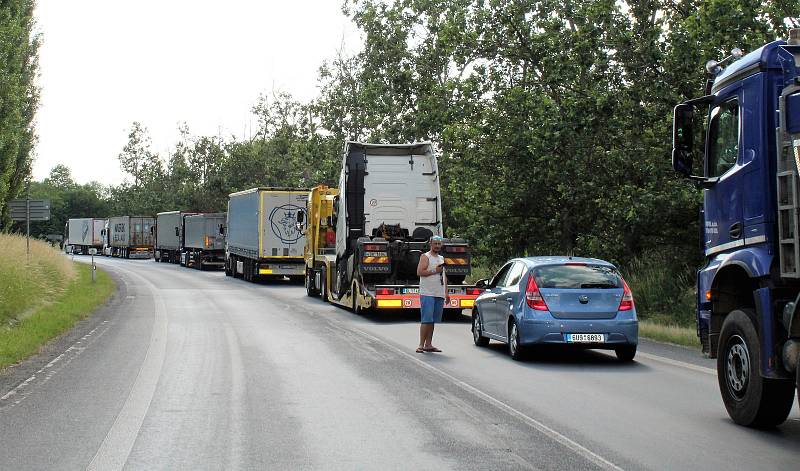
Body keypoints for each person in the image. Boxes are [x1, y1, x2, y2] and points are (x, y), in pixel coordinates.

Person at [416, 235, 450, 353]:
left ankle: (428, 344)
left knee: (433, 320)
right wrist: (434, 270)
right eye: (435, 244)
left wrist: (446, 293)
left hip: (438, 293)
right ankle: (421, 344)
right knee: (426, 319)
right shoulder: (425, 256)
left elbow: (444, 276)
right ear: (430, 244)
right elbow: (420, 272)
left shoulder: (441, 258)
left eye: (438, 244)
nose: (437, 246)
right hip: (427, 293)